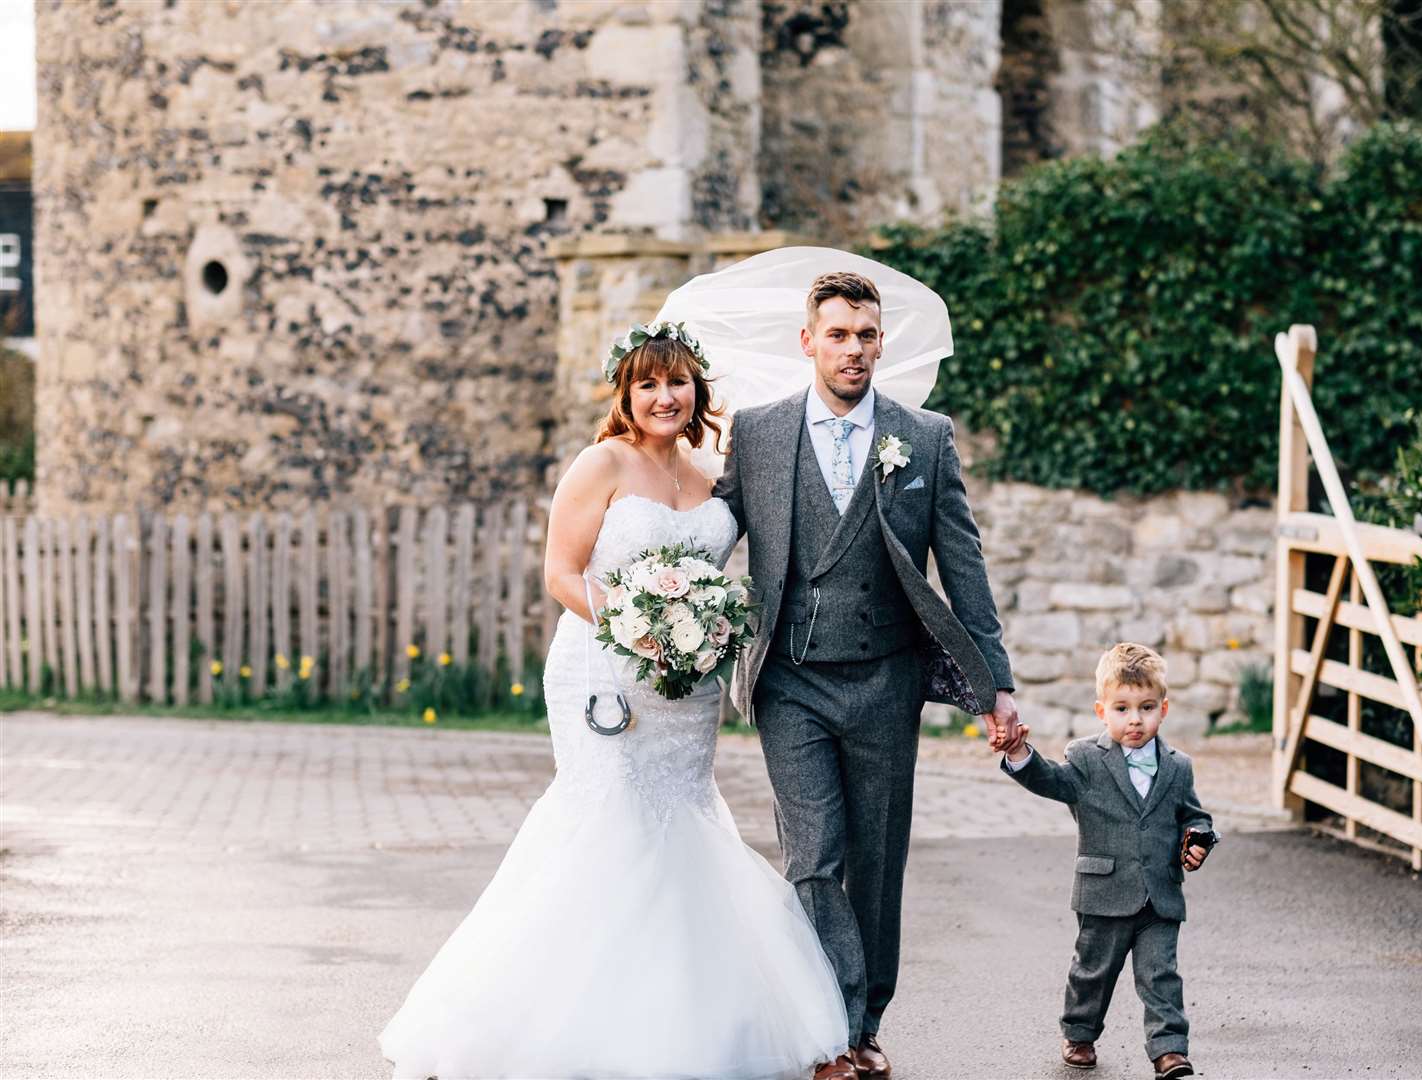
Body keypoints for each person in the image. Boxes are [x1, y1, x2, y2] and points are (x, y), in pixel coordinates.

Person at [378, 326, 849, 1080]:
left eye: (678, 383)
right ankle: (530, 1021)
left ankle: (686, 1019)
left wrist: (698, 636)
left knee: (683, 823)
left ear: (698, 391)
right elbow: (561, 574)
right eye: (647, 386)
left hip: (688, 688)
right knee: (609, 822)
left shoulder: (713, 472)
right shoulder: (600, 463)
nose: (665, 398)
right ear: (625, 395)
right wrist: (639, 629)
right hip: (604, 670)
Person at [714, 271, 1020, 1080]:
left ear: (883, 342)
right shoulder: (757, 433)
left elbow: (964, 565)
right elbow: (708, 532)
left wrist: (995, 683)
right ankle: (829, 1029)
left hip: (886, 682)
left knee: (877, 863)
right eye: (839, 334)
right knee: (814, 854)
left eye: (868, 335)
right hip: (791, 680)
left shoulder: (923, 437)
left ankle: (867, 1019)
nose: (854, 350)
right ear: (807, 341)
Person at [998, 642, 1216, 1080]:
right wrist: (1020, 754)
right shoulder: (1085, 759)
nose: (1135, 719)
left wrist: (1200, 837)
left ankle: (1169, 1050)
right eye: (1122, 708)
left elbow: (1193, 814)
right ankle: (1079, 1032)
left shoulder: (1179, 767)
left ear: (1164, 709)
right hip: (1103, 890)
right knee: (1093, 972)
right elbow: (1051, 782)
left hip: (1160, 894)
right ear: (1102, 711)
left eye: (1146, 707)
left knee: (1161, 975)